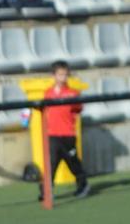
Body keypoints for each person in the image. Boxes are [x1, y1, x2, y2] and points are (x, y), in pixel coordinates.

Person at [41, 60, 90, 200]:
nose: (63, 78)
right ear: (54, 76)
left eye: (65, 75)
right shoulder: (48, 93)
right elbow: (43, 109)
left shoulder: (72, 93)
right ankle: (46, 191)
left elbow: (79, 108)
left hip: (68, 134)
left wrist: (76, 101)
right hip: (53, 134)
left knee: (73, 162)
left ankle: (83, 185)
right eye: (60, 75)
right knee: (51, 163)